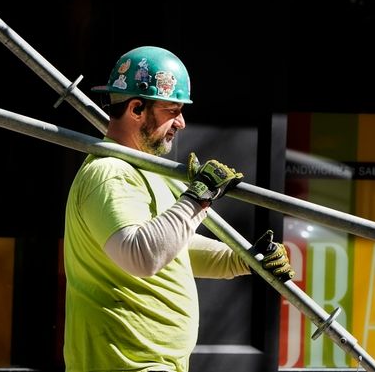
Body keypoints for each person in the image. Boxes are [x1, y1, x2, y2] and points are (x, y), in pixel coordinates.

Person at [62, 46, 294, 372]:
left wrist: (244, 259)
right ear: (137, 108)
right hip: (126, 364)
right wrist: (197, 199)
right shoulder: (110, 172)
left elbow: (174, 248)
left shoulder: (142, 169)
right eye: (172, 110)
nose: (181, 123)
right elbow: (140, 255)